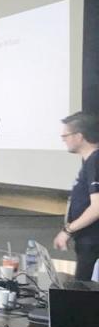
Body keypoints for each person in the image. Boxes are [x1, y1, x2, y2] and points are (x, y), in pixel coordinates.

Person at [54, 111, 99, 279]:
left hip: (93, 242)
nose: (63, 139)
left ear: (79, 136)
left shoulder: (95, 161)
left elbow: (97, 207)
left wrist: (67, 230)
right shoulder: (90, 161)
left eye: (65, 135)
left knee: (84, 289)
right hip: (87, 241)